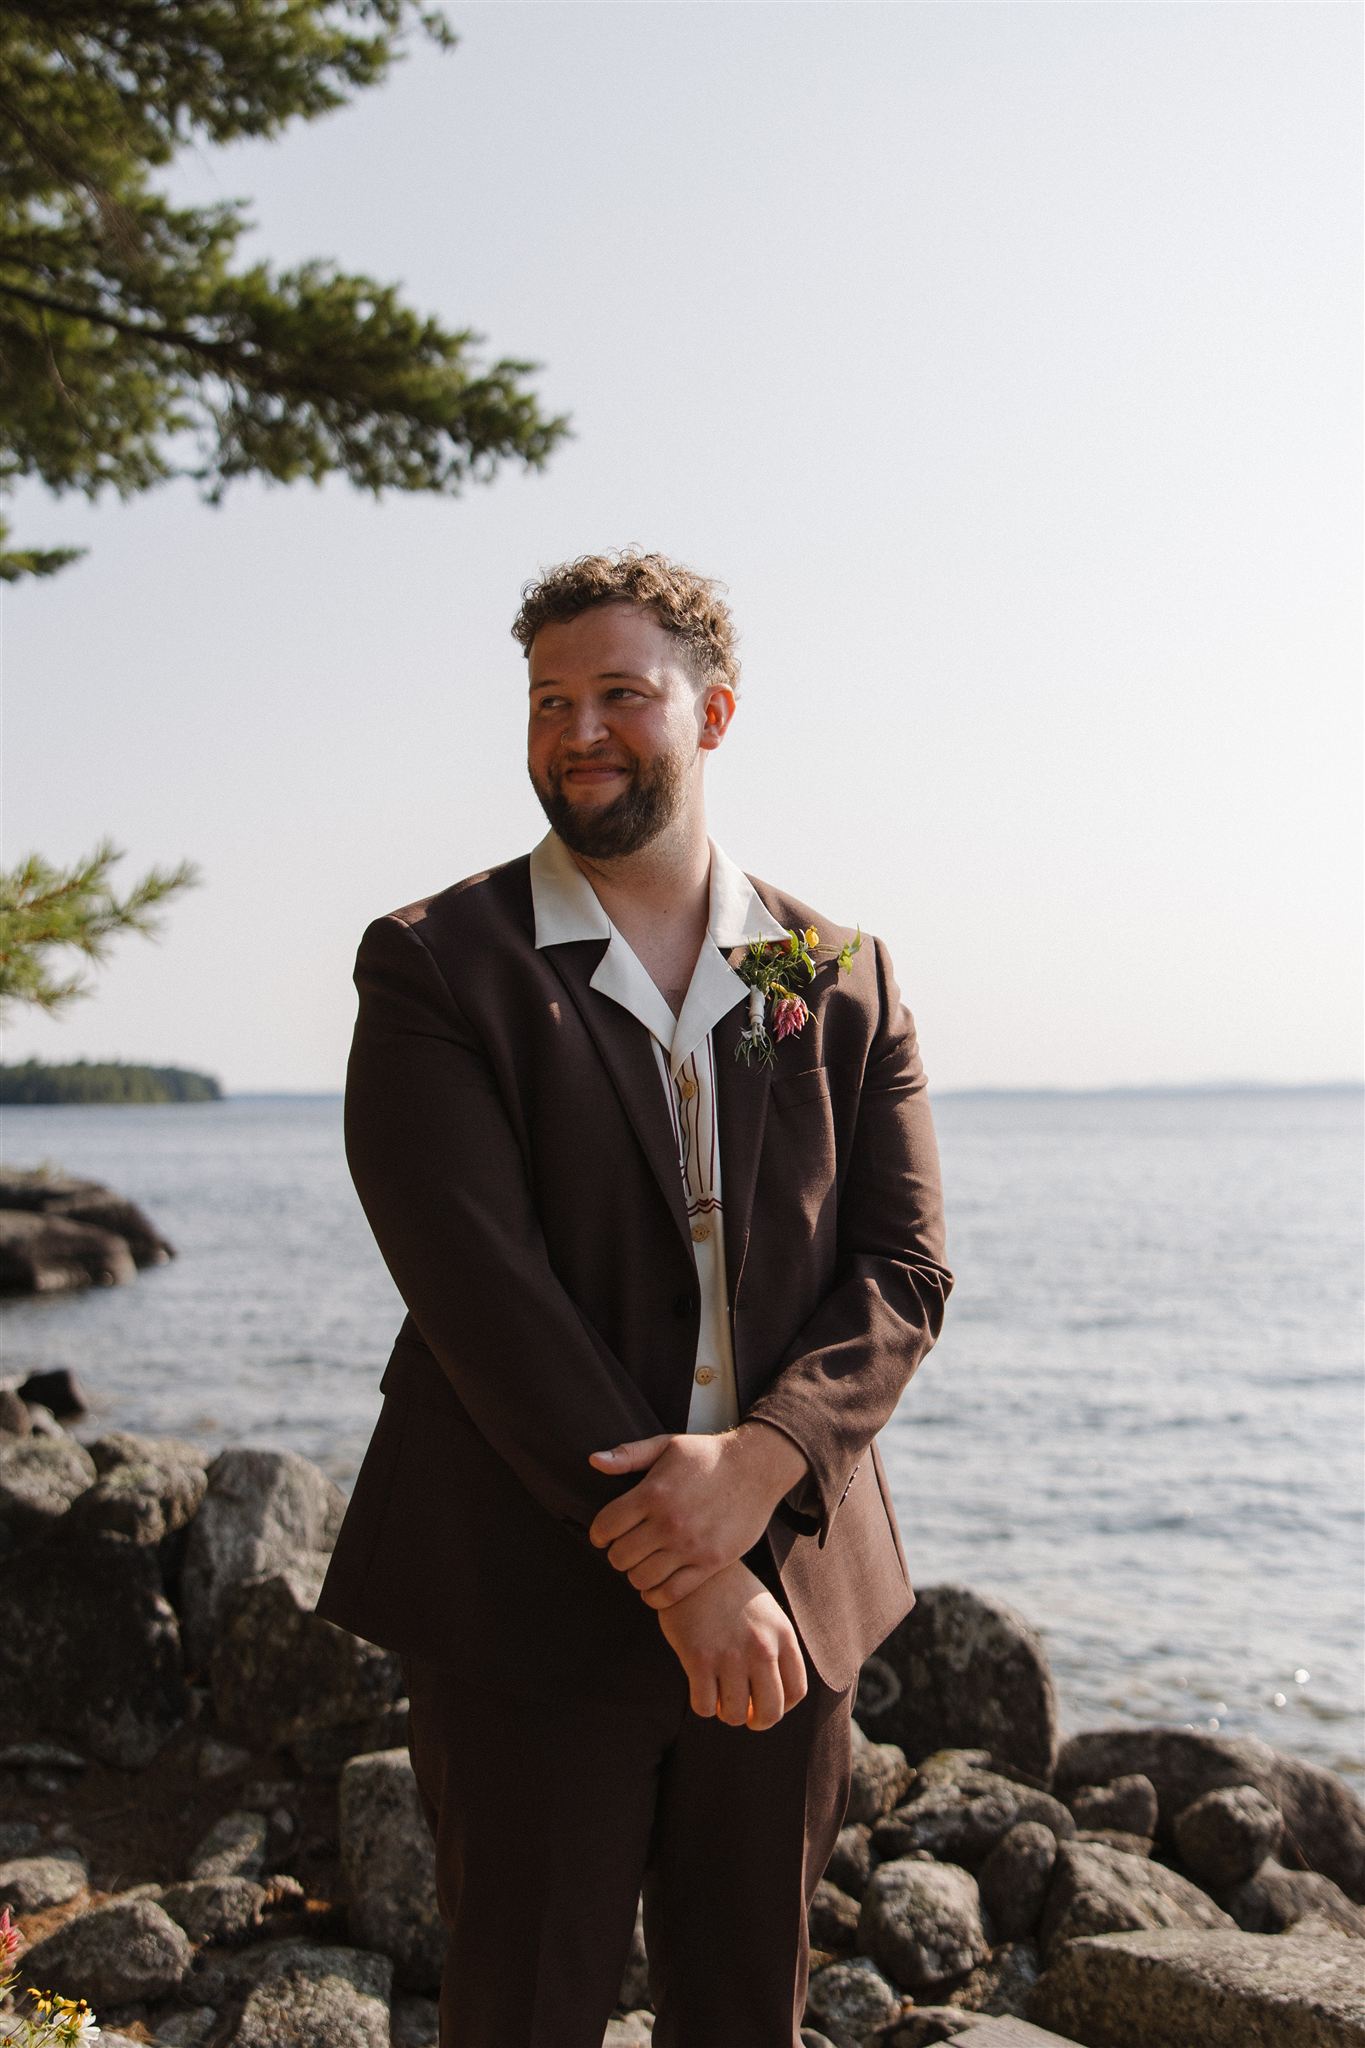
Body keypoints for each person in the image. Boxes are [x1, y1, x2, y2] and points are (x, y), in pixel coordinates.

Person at [316, 549, 953, 2048]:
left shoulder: (830, 970)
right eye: (548, 701)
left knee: (745, 2012)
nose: (575, 732)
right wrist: (688, 1571)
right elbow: (484, 1296)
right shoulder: (435, 966)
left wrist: (765, 1469)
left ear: (712, 713)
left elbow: (903, 1268)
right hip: (524, 1597)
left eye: (618, 694)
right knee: (523, 2009)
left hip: (793, 1588)